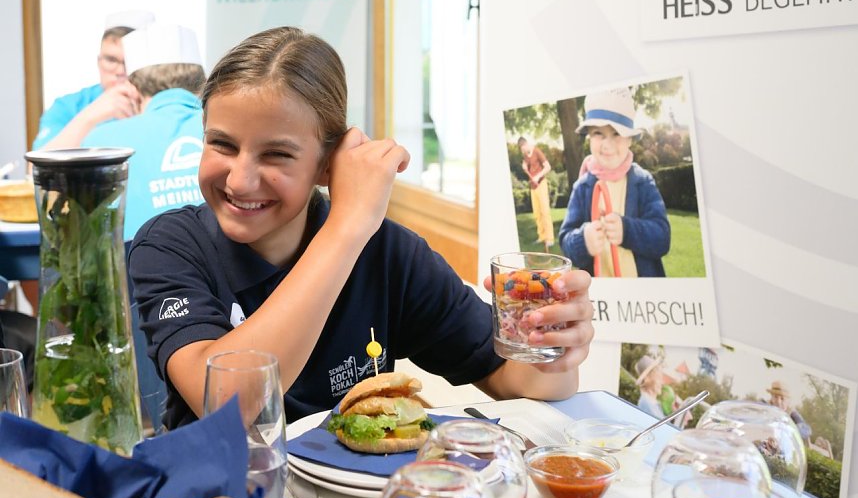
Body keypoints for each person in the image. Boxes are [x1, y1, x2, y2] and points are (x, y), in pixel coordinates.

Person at [127, 27, 595, 431]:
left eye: (276, 154)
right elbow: (235, 404)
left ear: (328, 164)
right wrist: (348, 225)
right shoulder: (169, 245)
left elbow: (524, 381)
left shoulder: (390, 254)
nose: (240, 179)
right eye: (222, 145)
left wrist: (552, 345)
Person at [81, 23, 206, 242]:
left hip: (132, 271)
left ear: (133, 91)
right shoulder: (230, 133)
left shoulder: (100, 143)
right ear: (202, 86)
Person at [558, 88, 670, 277]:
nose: (607, 144)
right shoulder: (582, 187)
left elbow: (662, 239)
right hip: (598, 298)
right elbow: (566, 241)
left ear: (630, 140)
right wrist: (583, 240)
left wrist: (627, 230)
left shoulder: (643, 182)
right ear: (589, 137)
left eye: (617, 133)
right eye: (598, 133)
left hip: (641, 295)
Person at [31, 10, 155, 151]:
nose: (120, 71)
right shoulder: (69, 106)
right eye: (111, 60)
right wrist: (90, 117)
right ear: (98, 61)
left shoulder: (160, 104)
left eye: (129, 61)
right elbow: (35, 168)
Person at [518, 137, 555, 253]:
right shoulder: (525, 156)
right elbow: (526, 166)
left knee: (545, 211)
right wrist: (524, 167)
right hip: (533, 186)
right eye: (522, 150)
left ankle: (550, 238)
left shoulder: (537, 151)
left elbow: (548, 167)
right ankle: (541, 236)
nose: (524, 151)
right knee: (537, 212)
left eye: (524, 148)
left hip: (541, 184)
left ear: (527, 144)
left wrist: (538, 176)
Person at [766, 381, 812, 446]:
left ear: (788, 401)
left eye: (782, 399)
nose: (778, 402)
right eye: (775, 397)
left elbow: (806, 429)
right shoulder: (765, 407)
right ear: (771, 397)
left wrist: (790, 429)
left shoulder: (791, 413)